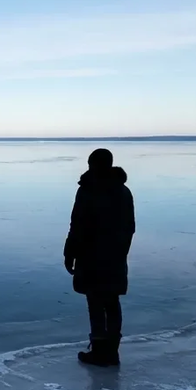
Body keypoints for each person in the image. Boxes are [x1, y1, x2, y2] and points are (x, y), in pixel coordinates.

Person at [64, 148, 135, 367]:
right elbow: (129, 227)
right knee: (111, 302)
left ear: (94, 164)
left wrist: (70, 252)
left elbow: (78, 225)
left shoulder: (89, 190)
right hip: (114, 256)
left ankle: (100, 351)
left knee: (96, 302)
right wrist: (121, 251)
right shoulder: (123, 191)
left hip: (92, 256)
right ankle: (111, 352)